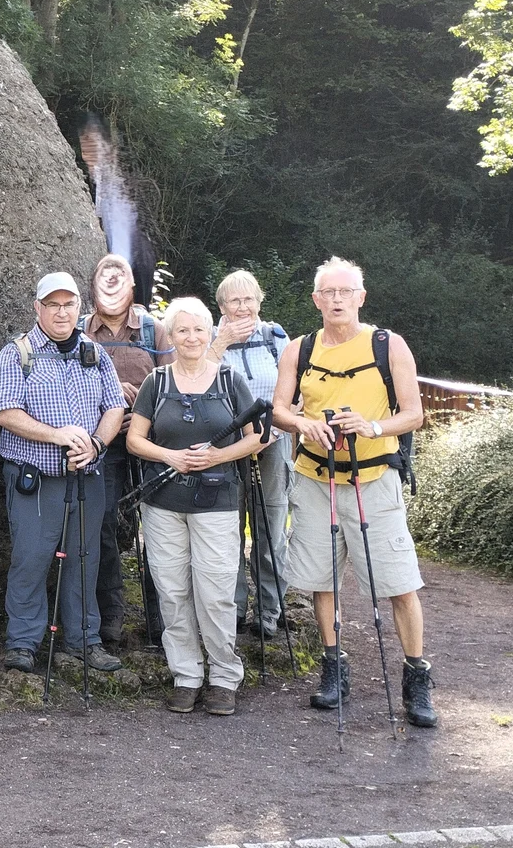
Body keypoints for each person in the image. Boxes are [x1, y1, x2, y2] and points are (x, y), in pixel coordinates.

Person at [271, 256, 438, 728]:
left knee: (400, 583)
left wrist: (371, 426)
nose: (337, 300)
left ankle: (416, 677)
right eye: (329, 292)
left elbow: (414, 414)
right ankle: (333, 667)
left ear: (361, 298)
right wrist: (304, 423)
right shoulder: (299, 350)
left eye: (346, 292)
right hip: (314, 477)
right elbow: (279, 409)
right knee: (322, 579)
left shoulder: (389, 345)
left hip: (374, 479)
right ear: (316, 300)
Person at [125, 298, 264, 715]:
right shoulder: (158, 381)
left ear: (209, 333)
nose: (190, 338)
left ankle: (223, 677)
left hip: (218, 502)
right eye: (182, 330)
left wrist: (216, 457)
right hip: (163, 503)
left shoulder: (228, 379)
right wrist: (169, 457)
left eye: (198, 330)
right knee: (172, 590)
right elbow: (135, 439)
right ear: (171, 335)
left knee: (217, 591)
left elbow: (260, 436)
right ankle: (186, 675)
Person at [0, 272, 127, 674]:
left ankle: (84, 639)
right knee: (31, 559)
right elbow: (4, 412)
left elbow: (115, 406)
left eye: (69, 304)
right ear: (38, 308)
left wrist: (98, 444)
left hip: (88, 477)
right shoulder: (17, 354)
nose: (62, 312)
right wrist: (58, 436)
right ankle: (23, 643)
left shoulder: (94, 353)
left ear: (79, 308)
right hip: (35, 479)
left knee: (85, 558)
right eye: (53, 304)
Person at [83, 253, 170, 649]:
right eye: (104, 275)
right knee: (101, 525)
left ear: (133, 285)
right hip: (103, 445)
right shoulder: (81, 331)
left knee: (159, 527)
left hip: (152, 443)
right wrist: (109, 397)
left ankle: (160, 617)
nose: (112, 282)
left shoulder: (155, 331)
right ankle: (110, 616)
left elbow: (175, 381)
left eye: (120, 276)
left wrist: (143, 402)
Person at [210, 269, 293, 639]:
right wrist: (221, 343)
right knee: (228, 526)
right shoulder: (209, 339)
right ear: (222, 306)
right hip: (228, 446)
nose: (242, 307)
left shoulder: (276, 338)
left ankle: (270, 608)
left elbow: (296, 393)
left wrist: (274, 431)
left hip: (274, 441)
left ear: (259, 302)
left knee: (270, 523)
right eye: (234, 301)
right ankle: (235, 607)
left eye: (249, 300)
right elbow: (198, 383)